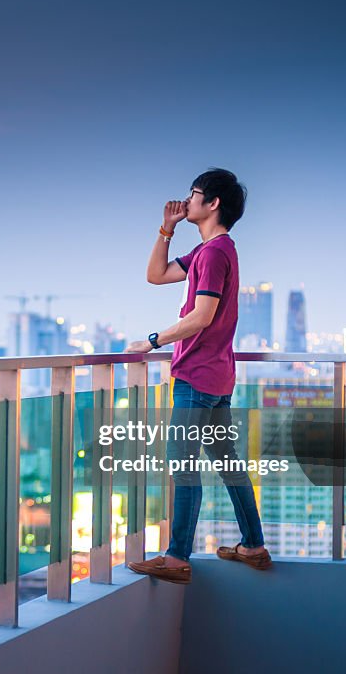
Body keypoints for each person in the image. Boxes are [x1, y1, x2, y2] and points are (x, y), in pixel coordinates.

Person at [125, 168, 271, 584]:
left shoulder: (213, 253)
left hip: (197, 376)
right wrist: (166, 228)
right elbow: (155, 275)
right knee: (228, 465)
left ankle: (176, 557)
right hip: (218, 377)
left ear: (213, 204)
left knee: (183, 465)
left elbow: (201, 316)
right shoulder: (216, 250)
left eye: (193, 195)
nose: (186, 201)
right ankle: (253, 546)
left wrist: (152, 341)